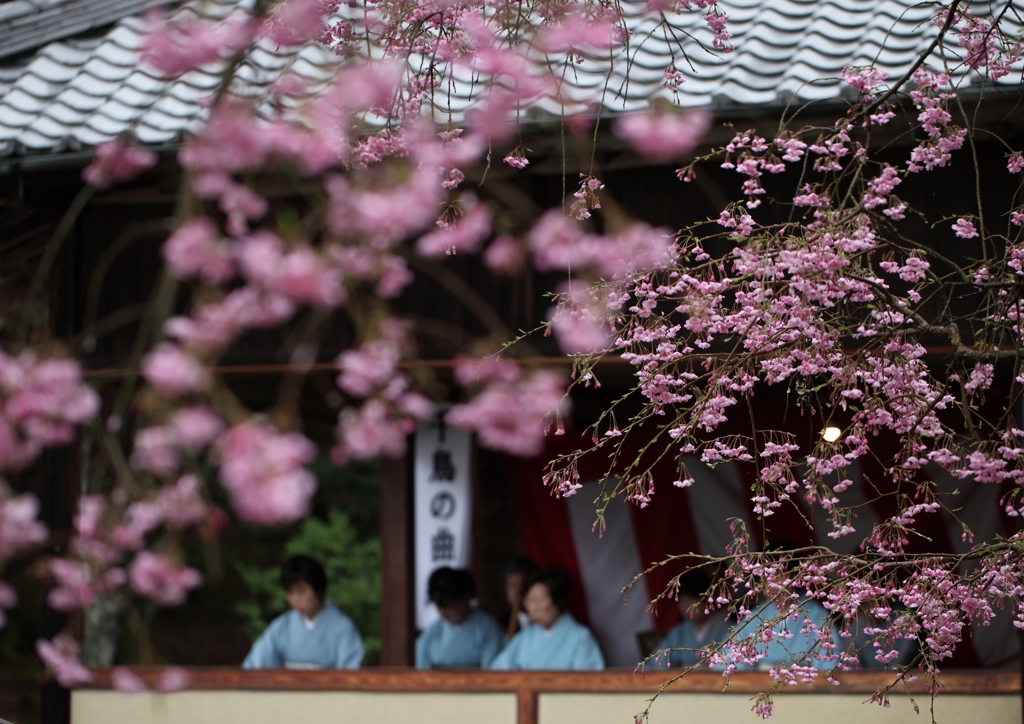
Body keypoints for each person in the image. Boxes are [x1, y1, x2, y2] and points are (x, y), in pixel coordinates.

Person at [242, 555, 364, 669]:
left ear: (319, 589)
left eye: (301, 591)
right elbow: (256, 664)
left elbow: (351, 672)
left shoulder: (342, 627)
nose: (296, 598)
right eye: (290, 592)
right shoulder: (282, 626)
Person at [488, 566, 604, 670]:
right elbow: (498, 669)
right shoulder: (525, 637)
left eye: (538, 601)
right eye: (529, 601)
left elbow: (590, 683)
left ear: (558, 601)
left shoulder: (581, 638)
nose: (533, 608)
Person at [415, 567, 505, 669]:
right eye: (439, 606)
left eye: (449, 604)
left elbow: (493, 673)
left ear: (467, 597)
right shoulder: (434, 630)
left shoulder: (487, 627)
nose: (443, 611)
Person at [656, 570, 729, 668]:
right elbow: (656, 665)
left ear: (706, 599)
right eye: (681, 602)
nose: (686, 607)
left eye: (691, 600)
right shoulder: (678, 632)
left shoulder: (729, 629)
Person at [497, 556, 538, 640]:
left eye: (523, 584)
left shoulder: (544, 619)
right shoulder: (499, 625)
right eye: (512, 584)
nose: (517, 591)